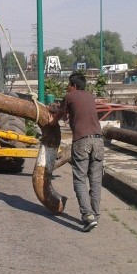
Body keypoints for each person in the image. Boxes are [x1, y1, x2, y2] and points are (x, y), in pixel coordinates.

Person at [48, 73, 104, 232]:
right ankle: (95, 215)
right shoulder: (91, 96)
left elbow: (58, 115)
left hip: (82, 141)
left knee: (79, 179)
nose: (67, 87)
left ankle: (88, 216)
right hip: (98, 141)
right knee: (95, 180)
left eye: (68, 84)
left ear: (73, 85)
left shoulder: (70, 96)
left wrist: (50, 121)